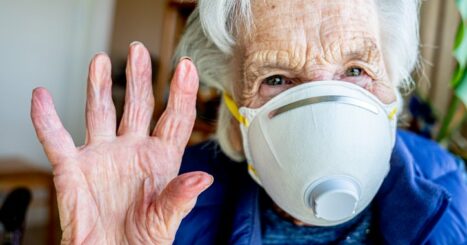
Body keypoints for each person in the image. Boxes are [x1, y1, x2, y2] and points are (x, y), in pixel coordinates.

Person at [30, 0, 466, 244]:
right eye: (276, 79)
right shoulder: (165, 209)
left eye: (355, 71)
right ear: (236, 120)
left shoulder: (457, 194)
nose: (326, 121)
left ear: (392, 89)